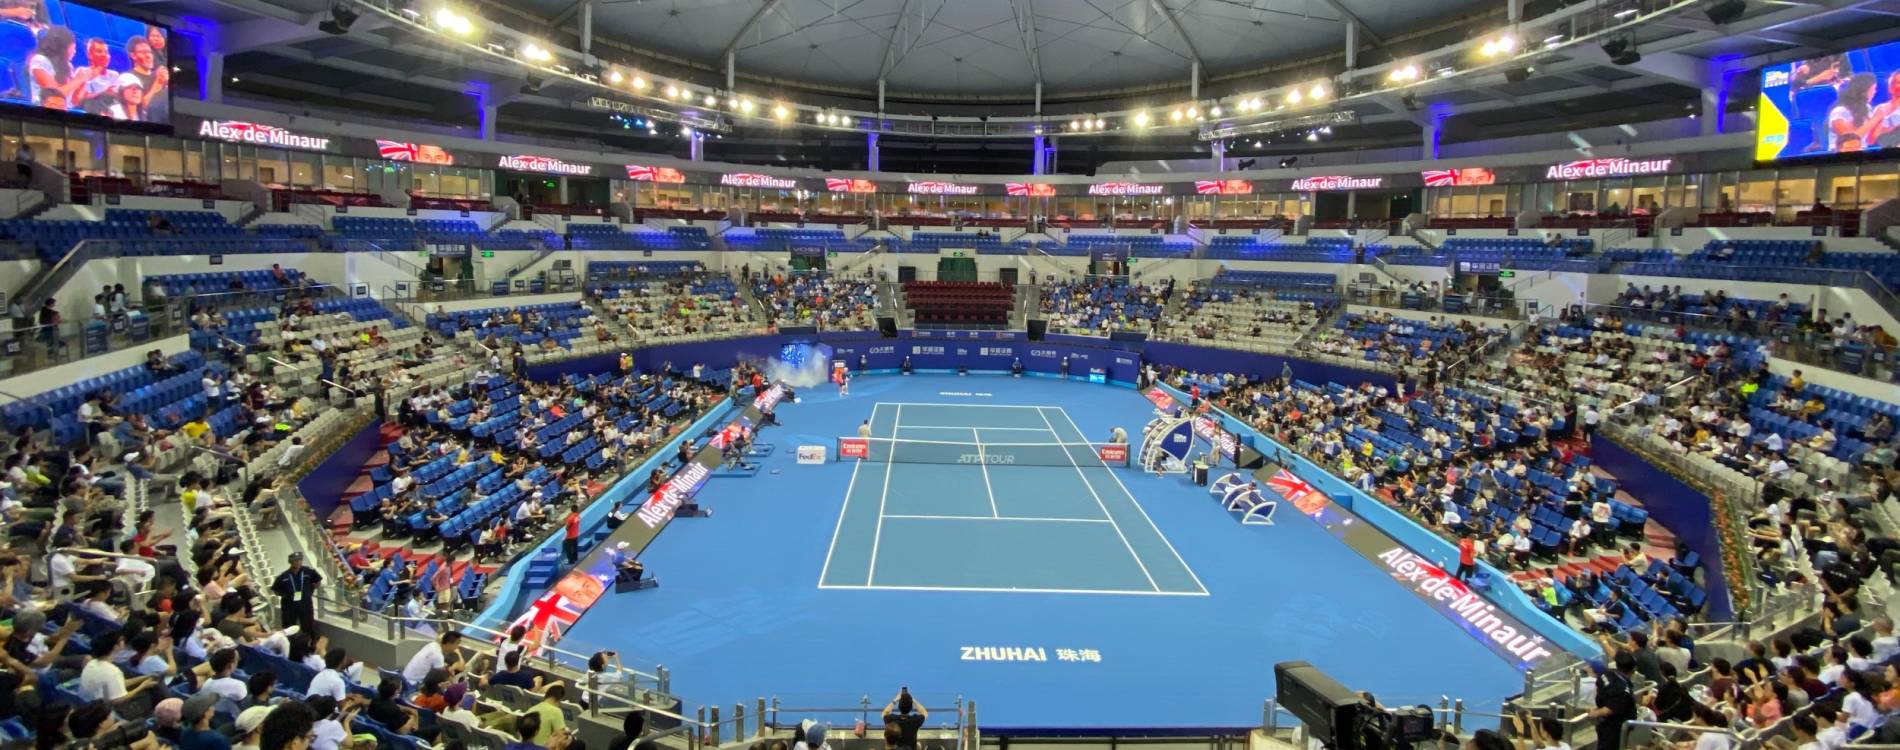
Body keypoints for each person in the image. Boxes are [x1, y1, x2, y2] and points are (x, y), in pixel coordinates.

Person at [1588, 653, 1637, 750]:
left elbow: (1599, 689)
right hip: (1613, 727)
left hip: (1608, 725)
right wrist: (1595, 713)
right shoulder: (1623, 688)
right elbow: (1609, 709)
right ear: (1632, 670)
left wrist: (1596, 710)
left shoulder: (1607, 673)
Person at [271, 551, 322, 632]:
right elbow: (275, 589)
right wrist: (285, 595)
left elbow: (318, 581)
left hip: (305, 604)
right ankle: (292, 643)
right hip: (289, 606)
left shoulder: (308, 571)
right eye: (295, 560)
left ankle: (308, 642)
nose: (298, 562)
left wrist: (310, 590)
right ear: (291, 562)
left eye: (300, 560)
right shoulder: (283, 576)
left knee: (308, 626)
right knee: (289, 628)